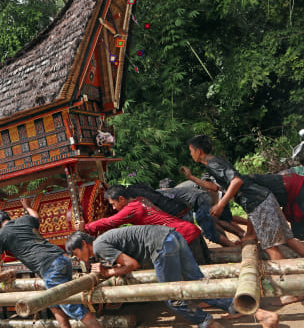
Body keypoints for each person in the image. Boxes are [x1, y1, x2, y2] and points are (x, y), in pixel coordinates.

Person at [66, 228, 278, 328]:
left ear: (83, 245)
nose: (79, 258)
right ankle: (262, 315)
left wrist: (108, 273)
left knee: (172, 297)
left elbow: (132, 264)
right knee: (201, 287)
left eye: (76, 254)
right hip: (172, 237)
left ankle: (208, 323)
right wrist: (108, 269)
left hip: (161, 246)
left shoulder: (101, 246)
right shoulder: (103, 242)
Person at [184, 134, 304, 305]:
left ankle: (294, 289)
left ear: (198, 151)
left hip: (258, 202)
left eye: (191, 151)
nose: (190, 155)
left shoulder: (213, 164)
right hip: (264, 199)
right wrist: (191, 177)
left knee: (271, 247)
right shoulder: (214, 162)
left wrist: (220, 205)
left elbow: (236, 181)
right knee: (288, 238)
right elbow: (216, 186)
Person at [0, 198, 102, 328]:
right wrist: (27, 206)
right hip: (61, 259)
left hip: (49, 266)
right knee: (54, 302)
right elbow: (36, 216)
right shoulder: (24, 220)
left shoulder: (0, 235)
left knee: (74, 308)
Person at [87, 185, 210, 264]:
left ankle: (210, 301)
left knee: (197, 274)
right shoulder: (140, 200)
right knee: (207, 269)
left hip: (183, 236)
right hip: (189, 230)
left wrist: (87, 228)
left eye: (113, 204)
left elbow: (110, 222)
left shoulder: (131, 209)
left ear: (121, 199)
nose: (113, 208)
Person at [158, 180, 238, 247]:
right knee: (211, 225)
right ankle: (231, 241)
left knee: (209, 231)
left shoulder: (168, 194)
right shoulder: (177, 191)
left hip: (202, 200)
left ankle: (232, 245)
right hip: (202, 200)